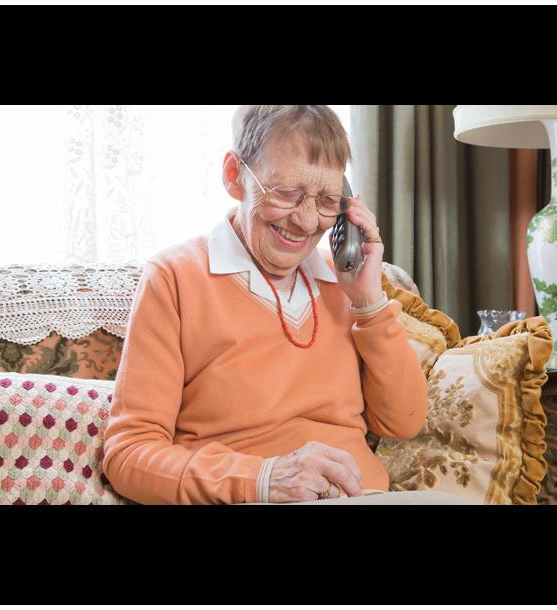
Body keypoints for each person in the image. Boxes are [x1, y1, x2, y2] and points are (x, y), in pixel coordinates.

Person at [102, 105, 460, 505]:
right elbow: (129, 453)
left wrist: (368, 303)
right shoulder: (173, 276)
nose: (307, 222)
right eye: (287, 194)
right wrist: (262, 479)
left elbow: (404, 421)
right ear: (235, 176)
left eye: (327, 201)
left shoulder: (344, 283)